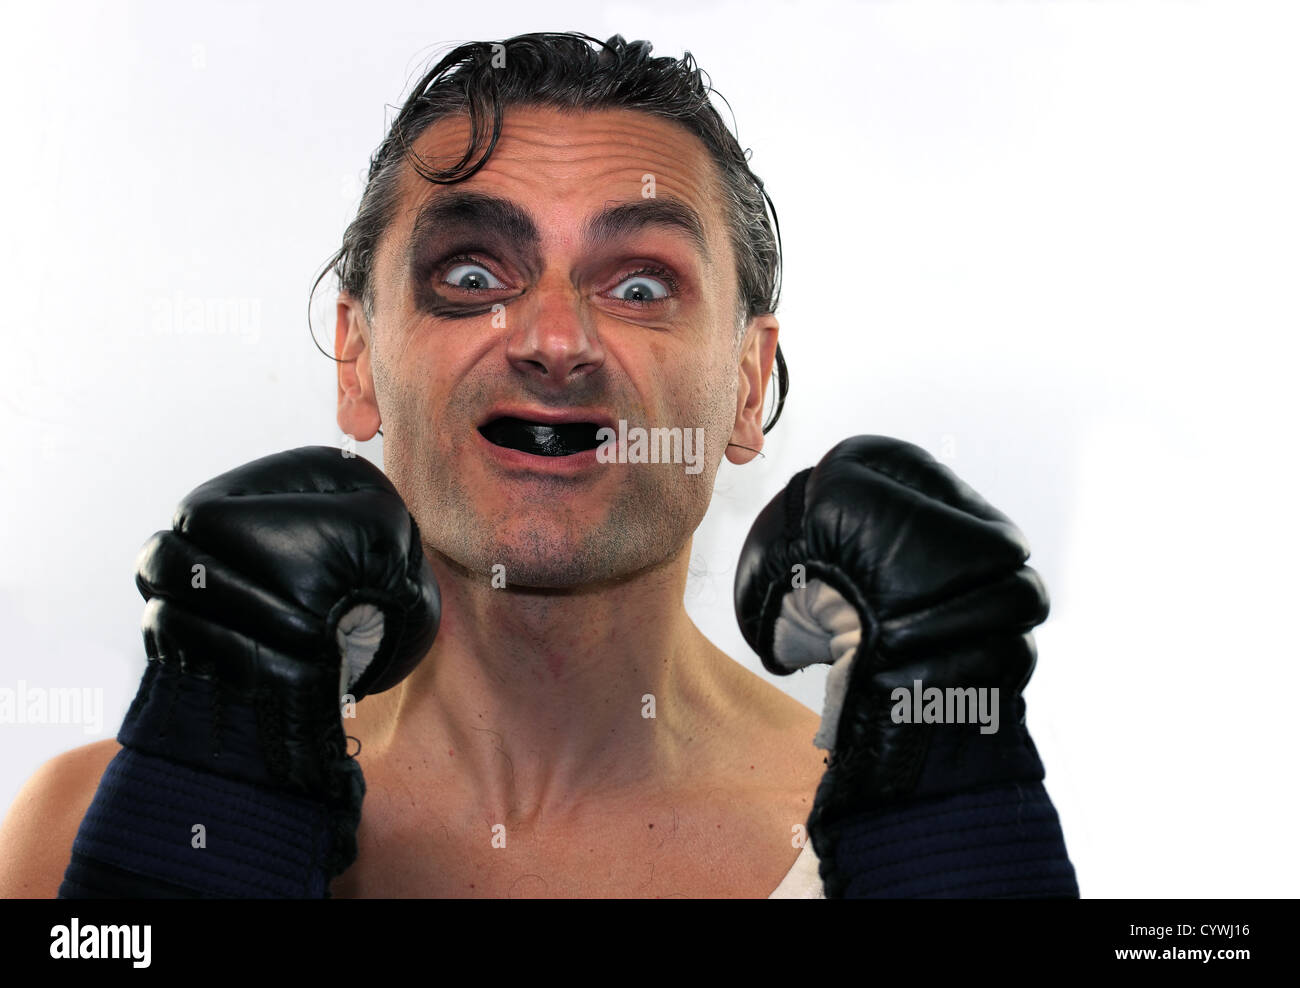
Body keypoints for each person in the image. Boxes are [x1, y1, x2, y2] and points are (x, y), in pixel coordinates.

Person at [0, 31, 1076, 899]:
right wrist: (205, 838)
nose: (554, 339)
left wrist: (948, 841)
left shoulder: (890, 824)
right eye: (472, 271)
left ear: (747, 387)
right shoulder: (95, 826)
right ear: (358, 360)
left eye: (640, 285)